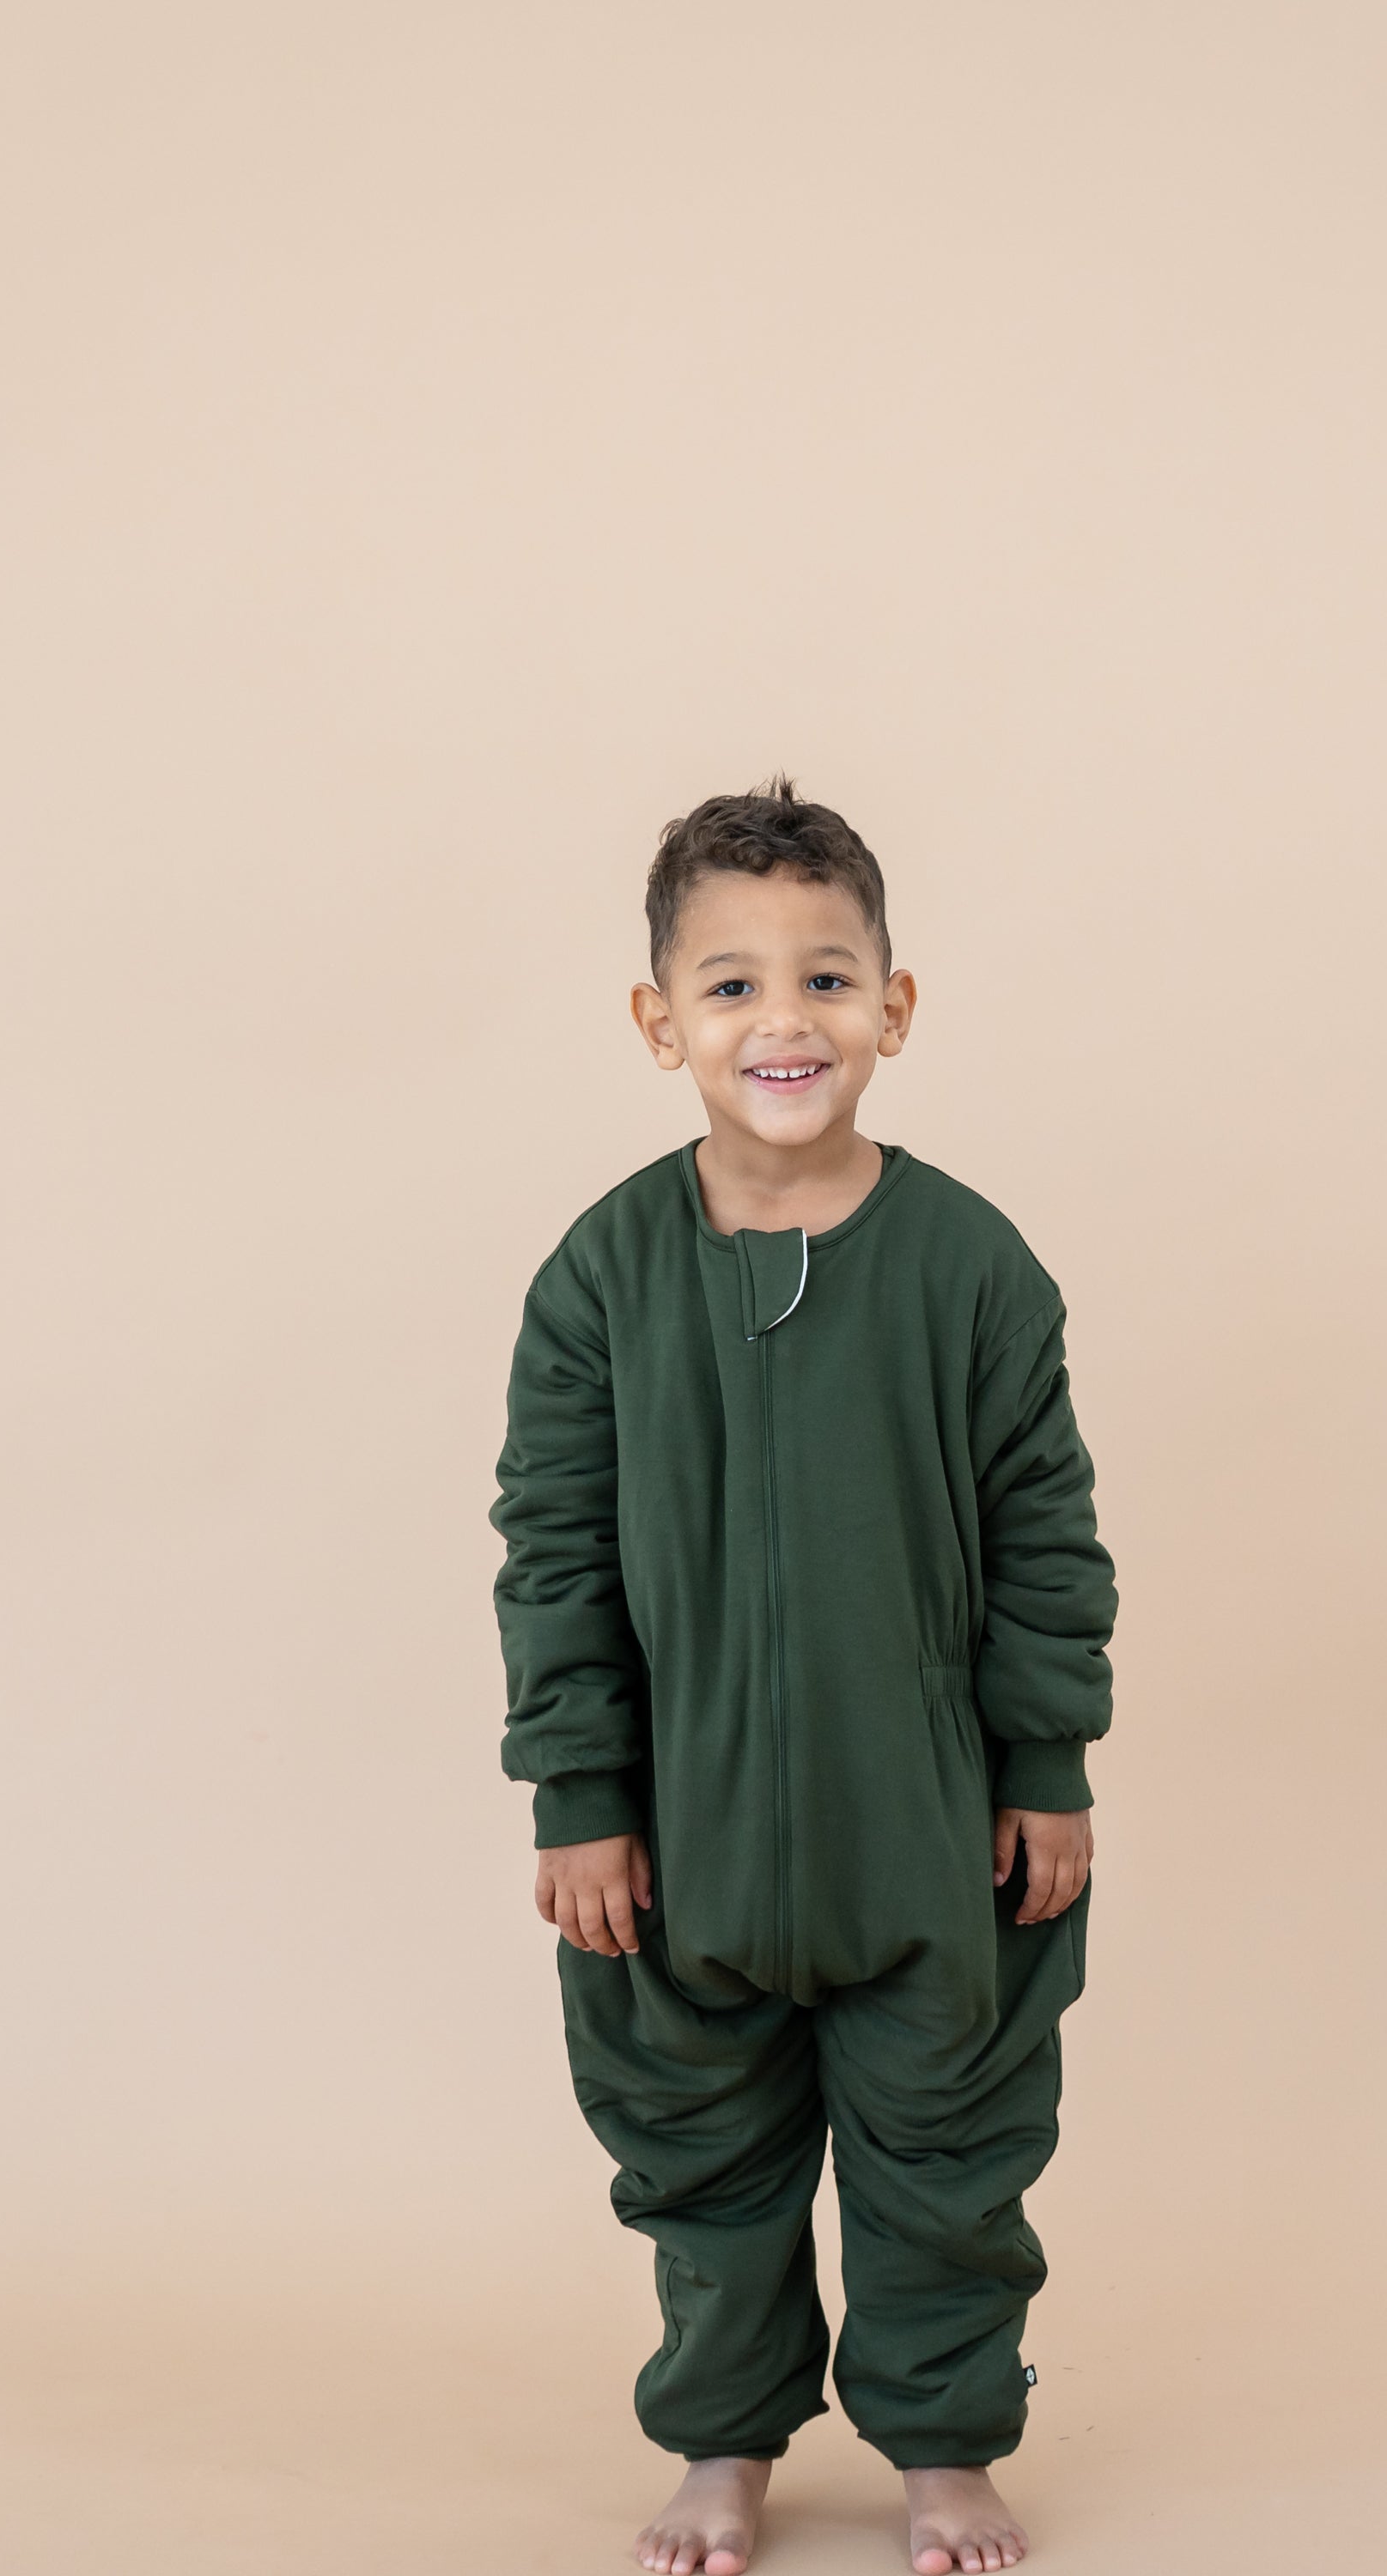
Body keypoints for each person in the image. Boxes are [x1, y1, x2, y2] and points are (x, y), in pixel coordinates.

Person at [490, 778, 1116, 2576]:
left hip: (924, 1827)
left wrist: (1046, 1766)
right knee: (701, 2158)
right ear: (660, 1022)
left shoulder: (970, 1266)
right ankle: (725, 2446)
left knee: (951, 2145)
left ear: (893, 1008)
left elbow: (1047, 1530)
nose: (786, 1021)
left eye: (828, 979)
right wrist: (582, 1797)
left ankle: (945, 2449)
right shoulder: (601, 1279)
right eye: (734, 985)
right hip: (679, 1842)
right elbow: (553, 1550)